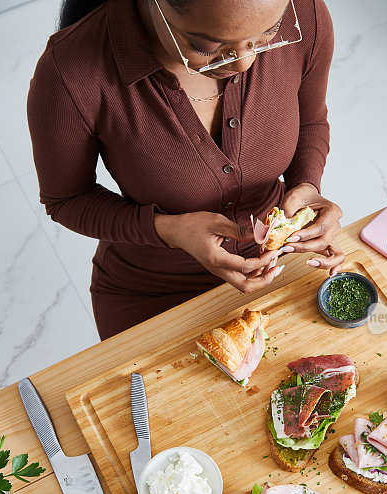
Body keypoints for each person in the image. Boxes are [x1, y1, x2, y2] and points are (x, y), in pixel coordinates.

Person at [28, 0, 344, 339]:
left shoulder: (304, 13)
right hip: (155, 289)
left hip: (280, 261)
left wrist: (307, 185)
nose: (244, 62)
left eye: (266, 35)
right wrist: (169, 229)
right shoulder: (70, 72)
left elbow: (310, 118)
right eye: (206, 45)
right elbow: (67, 200)